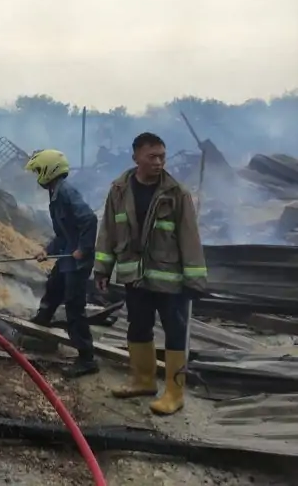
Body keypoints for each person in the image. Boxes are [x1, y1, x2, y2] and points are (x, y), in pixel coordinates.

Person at [93, 132, 207, 416]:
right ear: (136, 157)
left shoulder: (176, 193)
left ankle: (174, 393)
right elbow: (107, 231)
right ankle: (143, 381)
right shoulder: (119, 190)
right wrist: (103, 269)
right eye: (152, 157)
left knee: (175, 333)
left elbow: (189, 238)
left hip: (171, 281)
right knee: (138, 327)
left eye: (162, 157)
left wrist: (194, 281)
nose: (159, 163)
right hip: (136, 278)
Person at [24, 149, 99, 378]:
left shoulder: (66, 193)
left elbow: (89, 219)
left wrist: (83, 249)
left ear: (49, 170)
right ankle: (43, 319)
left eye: (38, 170)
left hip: (77, 261)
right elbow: (62, 234)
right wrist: (47, 251)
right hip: (67, 255)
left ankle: (86, 358)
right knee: (54, 286)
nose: (37, 176)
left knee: (74, 307)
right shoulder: (55, 195)